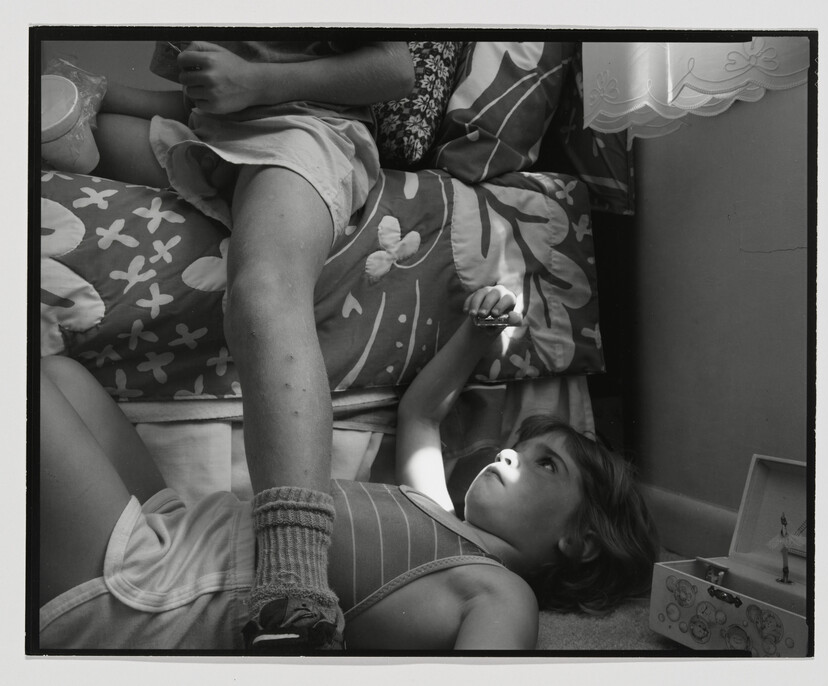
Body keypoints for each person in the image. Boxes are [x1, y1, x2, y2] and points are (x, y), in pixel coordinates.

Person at [37, 286, 659, 652]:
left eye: (543, 464)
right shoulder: (436, 509)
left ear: (579, 540)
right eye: (519, 448)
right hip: (180, 527)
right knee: (64, 376)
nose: (506, 454)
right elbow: (422, 412)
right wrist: (478, 331)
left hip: (151, 592)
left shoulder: (502, 592)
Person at [52, 39, 415, 651]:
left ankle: (295, 570)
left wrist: (256, 81)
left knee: (263, 287)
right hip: (208, 134)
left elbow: (396, 68)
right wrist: (94, 91)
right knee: (66, 135)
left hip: (307, 128)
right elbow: (196, 96)